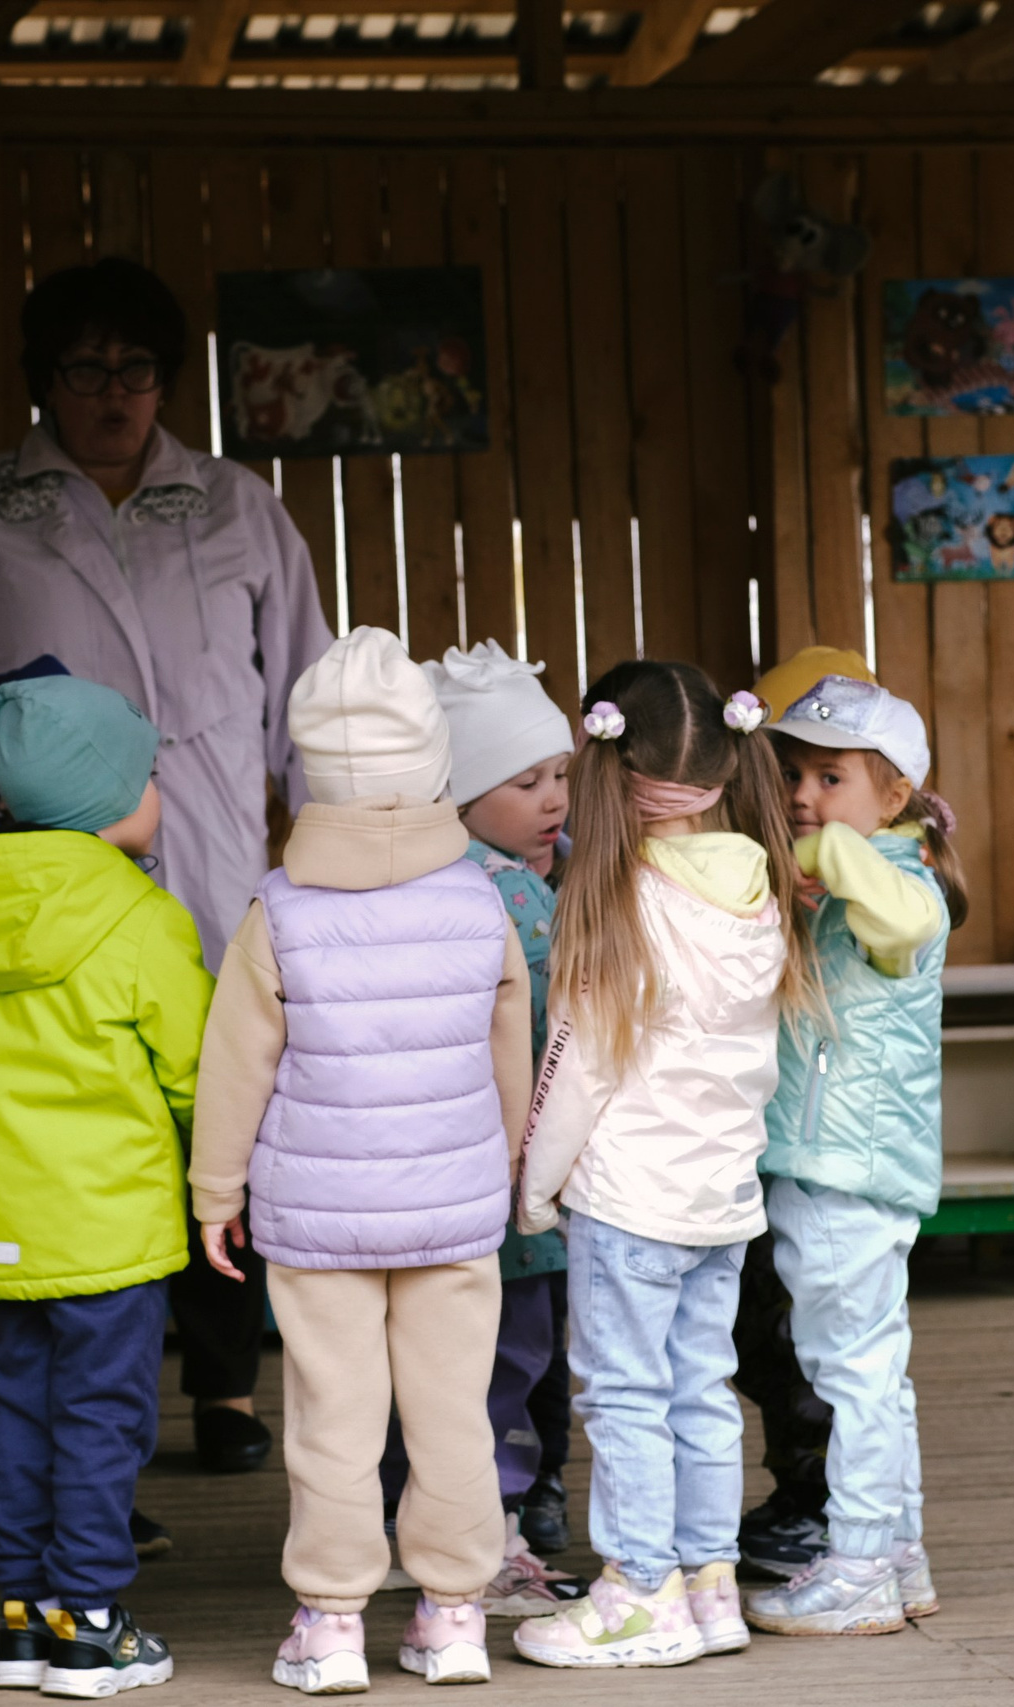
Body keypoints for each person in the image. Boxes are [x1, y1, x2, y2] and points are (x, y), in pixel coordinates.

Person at [0, 257, 331, 1476]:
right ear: (43, 383)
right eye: (85, 369)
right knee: (55, 1111)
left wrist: (343, 837)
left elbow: (304, 682)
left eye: (135, 368)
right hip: (40, 861)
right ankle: (26, 1411)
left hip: (208, 840)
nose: (112, 393)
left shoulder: (236, 504)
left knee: (228, 1085)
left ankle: (226, 1384)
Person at [188, 628, 531, 1694]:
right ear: (433, 766)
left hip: (319, 1218)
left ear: (309, 773)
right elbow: (511, 1059)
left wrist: (216, 1189)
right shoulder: (479, 902)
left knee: (331, 1421)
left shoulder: (275, 912)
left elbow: (233, 1064)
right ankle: (454, 1612)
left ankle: (331, 1625)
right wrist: (513, 1175)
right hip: (452, 1213)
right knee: (451, 1414)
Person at [509, 660, 814, 1671]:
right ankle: (709, 1584)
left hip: (631, 1202)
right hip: (722, 1200)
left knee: (625, 1399)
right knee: (701, 1388)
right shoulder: (759, 892)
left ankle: (638, 1589)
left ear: (612, 772)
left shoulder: (619, 904)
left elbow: (576, 1068)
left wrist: (535, 1185)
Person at [0, 674, 211, 1697]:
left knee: (20, 1415)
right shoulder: (143, 921)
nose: (157, 794)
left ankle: (22, 1621)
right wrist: (226, 1165)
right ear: (104, 801)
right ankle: (90, 1622)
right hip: (103, 1229)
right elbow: (192, 1073)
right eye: (147, 776)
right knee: (102, 1419)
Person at [745, 674, 967, 1635]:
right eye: (794, 773)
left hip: (846, 1169)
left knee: (850, 1370)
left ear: (897, 794)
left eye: (830, 777)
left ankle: (861, 1562)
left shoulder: (899, 884)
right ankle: (899, 1551)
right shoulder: (852, 876)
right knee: (873, 1365)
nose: (803, 793)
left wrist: (825, 849)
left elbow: (908, 924)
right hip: (836, 1160)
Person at [419, 641, 583, 1615]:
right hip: (508, 1169)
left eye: (560, 774)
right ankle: (494, 1540)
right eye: (524, 780)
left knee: (478, 1362)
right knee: (505, 1363)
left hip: (490, 1168)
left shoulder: (521, 875)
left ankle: (449, 1522)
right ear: (462, 789)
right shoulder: (495, 894)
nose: (552, 797)